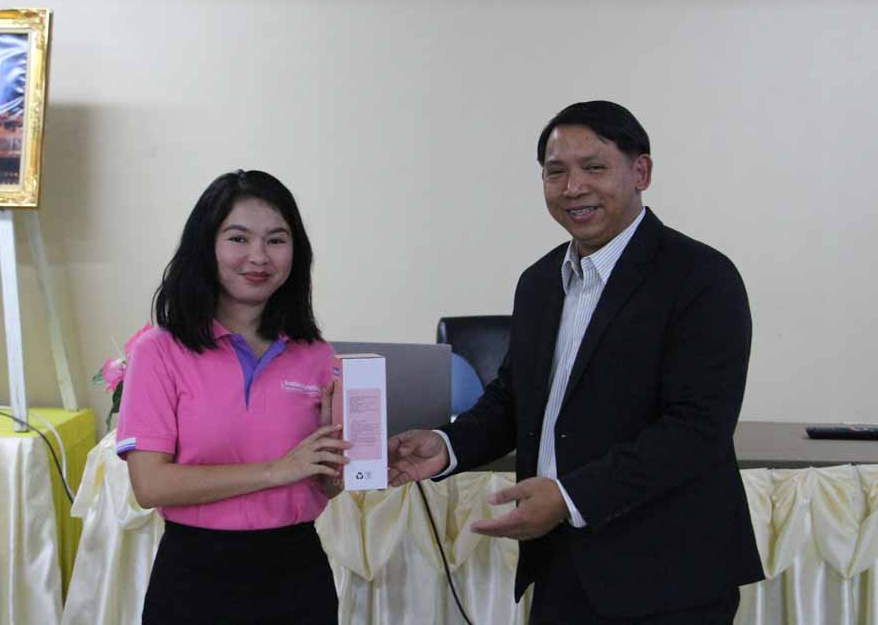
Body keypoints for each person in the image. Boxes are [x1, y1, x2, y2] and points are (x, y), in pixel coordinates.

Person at [388, 101, 763, 624]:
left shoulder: (701, 277)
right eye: (555, 172)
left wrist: (567, 499)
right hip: (560, 565)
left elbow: (696, 430)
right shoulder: (540, 282)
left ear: (641, 172)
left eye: (594, 167)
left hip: (670, 575)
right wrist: (446, 445)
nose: (573, 187)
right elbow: (514, 400)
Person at [116, 169, 350, 625]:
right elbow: (150, 485)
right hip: (193, 578)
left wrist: (336, 469)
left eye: (276, 240)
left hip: (298, 575)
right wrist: (278, 469)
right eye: (239, 238)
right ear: (206, 246)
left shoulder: (318, 356)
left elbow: (326, 485)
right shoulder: (159, 351)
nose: (258, 257)